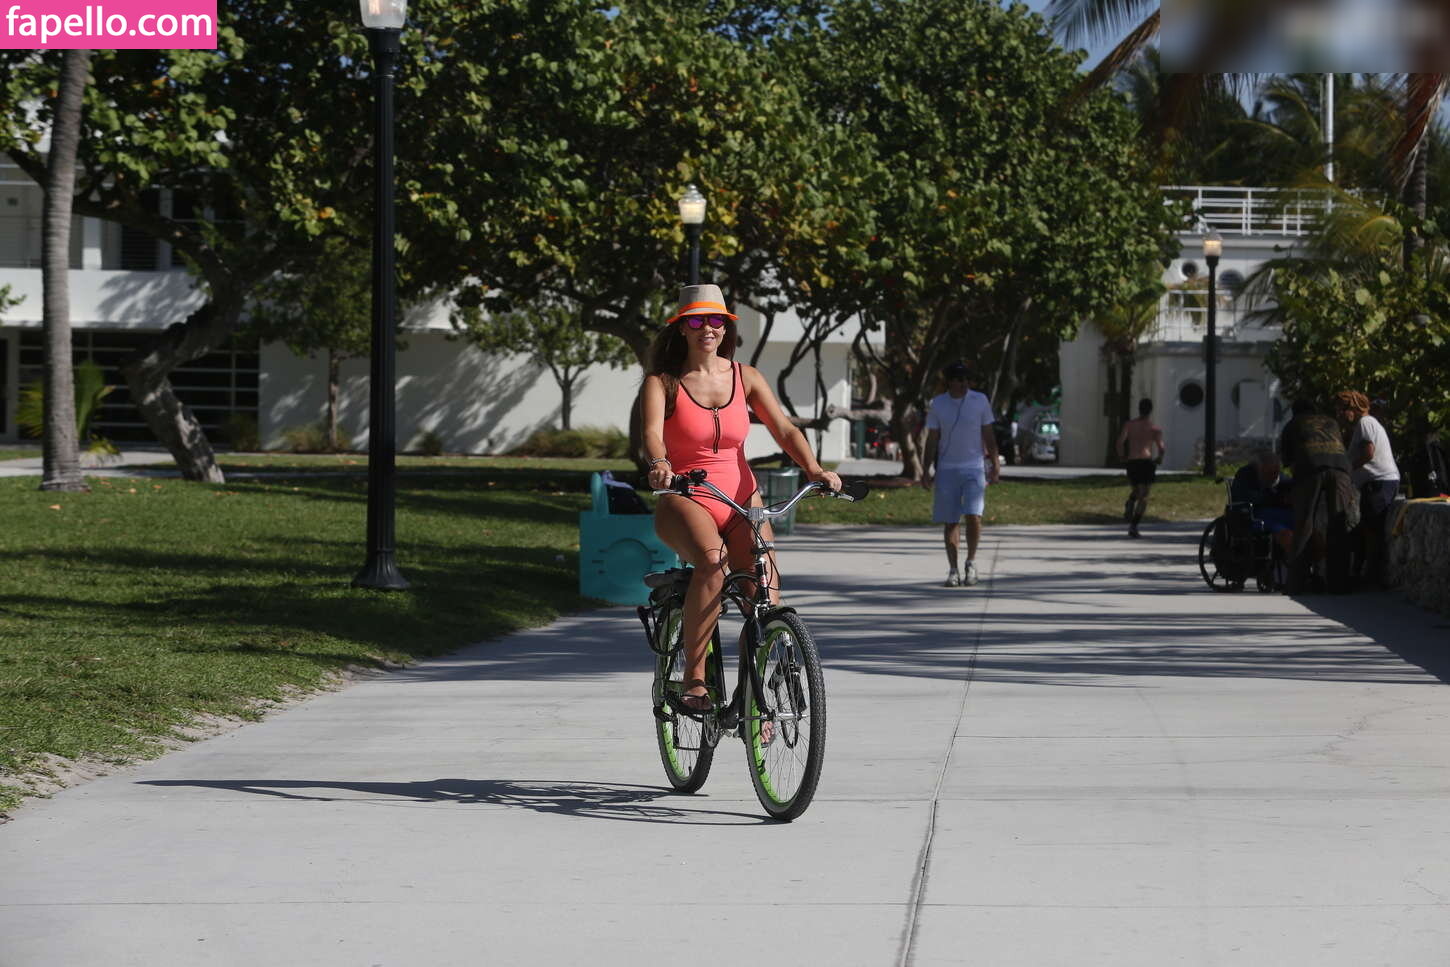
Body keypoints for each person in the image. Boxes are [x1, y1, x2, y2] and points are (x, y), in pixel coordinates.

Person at [641, 284, 841, 712]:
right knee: (713, 563)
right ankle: (695, 681)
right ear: (681, 328)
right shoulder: (663, 383)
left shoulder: (745, 377)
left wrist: (815, 470)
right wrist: (659, 463)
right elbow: (652, 433)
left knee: (764, 590)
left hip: (742, 501)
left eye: (716, 320)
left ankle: (758, 698)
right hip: (686, 497)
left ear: (726, 327)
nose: (707, 328)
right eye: (697, 320)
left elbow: (784, 429)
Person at [921, 361, 999, 588]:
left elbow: (988, 434)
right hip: (947, 469)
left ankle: (971, 562)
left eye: (966, 379)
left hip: (974, 467)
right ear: (949, 382)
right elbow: (932, 438)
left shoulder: (980, 400)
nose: (964, 383)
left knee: (974, 515)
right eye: (959, 379)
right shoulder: (938, 404)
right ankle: (953, 569)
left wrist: (995, 463)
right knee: (951, 520)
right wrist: (926, 469)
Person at [1279, 398, 1359, 593]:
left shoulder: (1293, 424)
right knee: (1338, 525)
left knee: (1304, 524)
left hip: (1310, 468)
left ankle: (1296, 584)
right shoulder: (1331, 422)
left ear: (1295, 412)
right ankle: (1338, 585)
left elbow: (1287, 460)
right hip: (1341, 469)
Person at [1336, 390, 1399, 586]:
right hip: (1376, 483)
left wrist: (1348, 469)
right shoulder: (1364, 425)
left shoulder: (1365, 422)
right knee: (1369, 530)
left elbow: (1368, 452)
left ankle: (1372, 578)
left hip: (1380, 483)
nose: (1339, 415)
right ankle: (1369, 575)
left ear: (1353, 408)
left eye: (1341, 410)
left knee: (1373, 533)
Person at [1116, 398, 1165, 538]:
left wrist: (1122, 456)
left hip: (1132, 462)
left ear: (1139, 409)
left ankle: (1131, 502)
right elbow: (1161, 448)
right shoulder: (1154, 429)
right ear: (1150, 410)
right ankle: (1133, 526)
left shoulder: (1129, 425)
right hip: (1146, 462)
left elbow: (1119, 442)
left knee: (1137, 491)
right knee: (1143, 497)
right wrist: (1159, 458)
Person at [1230, 450, 1295, 556]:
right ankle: (1294, 560)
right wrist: (1277, 499)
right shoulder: (1245, 475)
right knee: (1285, 534)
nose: (1274, 476)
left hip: (1277, 514)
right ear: (1259, 468)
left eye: (1276, 472)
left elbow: (1287, 484)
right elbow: (1248, 498)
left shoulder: (1277, 476)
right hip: (1255, 516)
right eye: (1269, 473)